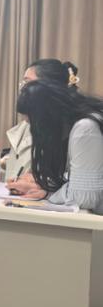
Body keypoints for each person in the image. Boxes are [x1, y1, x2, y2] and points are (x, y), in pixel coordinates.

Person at [8, 81, 103, 214]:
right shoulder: (72, 130)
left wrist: (48, 194)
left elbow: (85, 197)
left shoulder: (85, 129)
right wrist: (44, 187)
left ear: (48, 117)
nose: (34, 130)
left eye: (33, 123)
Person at [2, 59, 80, 182]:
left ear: (50, 87)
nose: (23, 89)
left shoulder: (75, 130)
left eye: (27, 82)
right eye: (23, 83)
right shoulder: (28, 122)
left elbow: (74, 181)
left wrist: (41, 186)